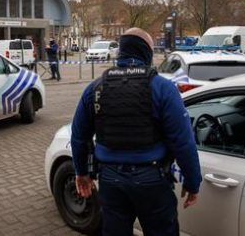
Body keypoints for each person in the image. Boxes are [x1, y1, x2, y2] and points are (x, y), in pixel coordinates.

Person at [71, 27, 202, 236]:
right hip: (152, 180)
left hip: (110, 180)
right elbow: (183, 141)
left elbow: (78, 137)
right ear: (146, 52)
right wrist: (192, 181)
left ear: (122, 51)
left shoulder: (95, 88)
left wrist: (82, 173)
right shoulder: (163, 88)